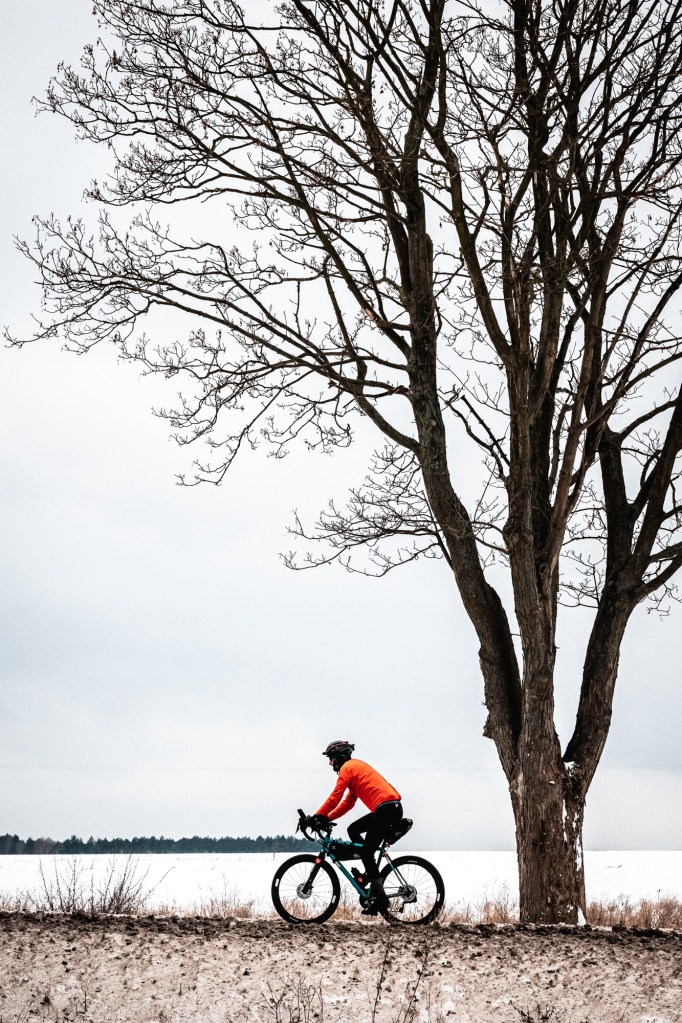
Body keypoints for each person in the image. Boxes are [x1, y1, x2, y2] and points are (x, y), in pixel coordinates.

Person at [311, 740, 403, 915]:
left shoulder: (348, 768)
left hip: (387, 809)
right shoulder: (354, 769)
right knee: (353, 830)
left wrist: (317, 817)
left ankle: (381, 899)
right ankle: (369, 874)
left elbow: (335, 797)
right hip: (388, 808)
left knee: (367, 852)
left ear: (339, 756)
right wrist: (327, 818)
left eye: (331, 758)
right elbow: (347, 804)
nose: (330, 763)